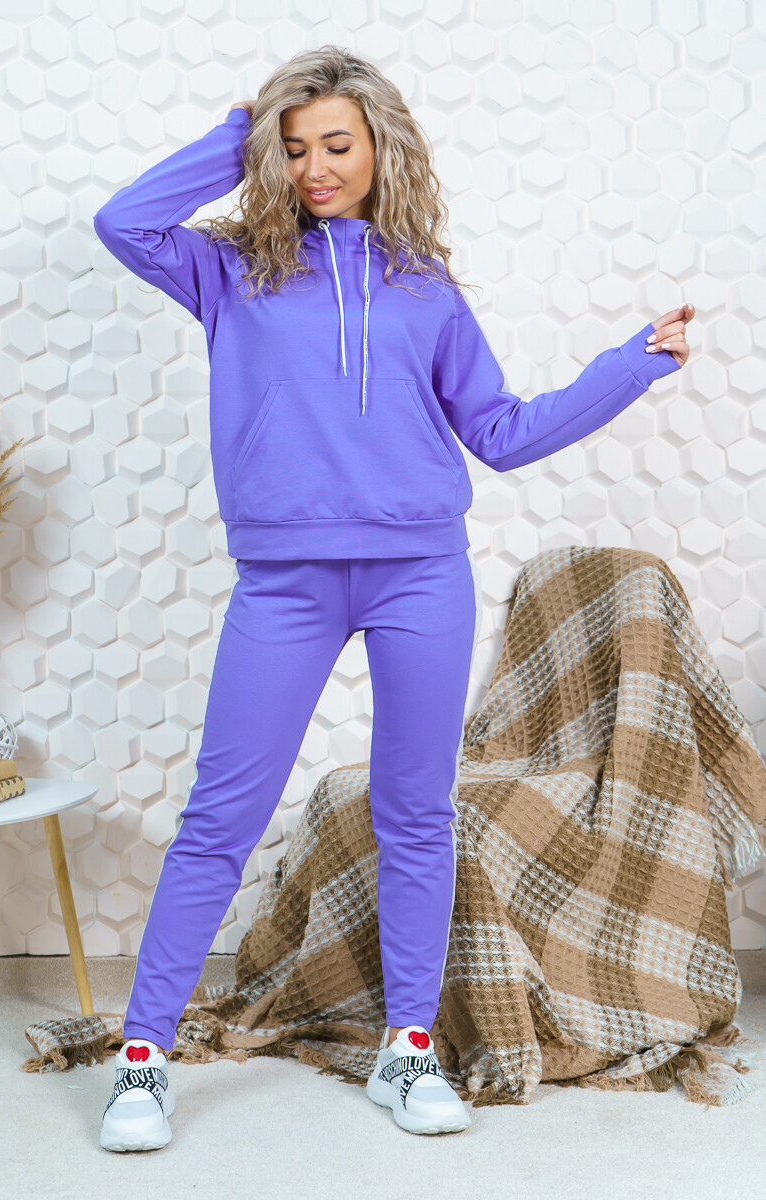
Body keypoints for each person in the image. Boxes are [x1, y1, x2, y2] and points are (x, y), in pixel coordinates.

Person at [92, 46, 691, 1150]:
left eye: (336, 144)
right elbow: (122, 222)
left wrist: (630, 364)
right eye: (293, 148)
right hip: (284, 578)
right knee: (220, 818)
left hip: (422, 571)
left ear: (380, 149)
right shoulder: (230, 269)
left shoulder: (425, 287)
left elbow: (501, 434)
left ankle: (406, 1052)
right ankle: (142, 1059)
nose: (315, 167)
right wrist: (234, 136)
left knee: (416, 813)